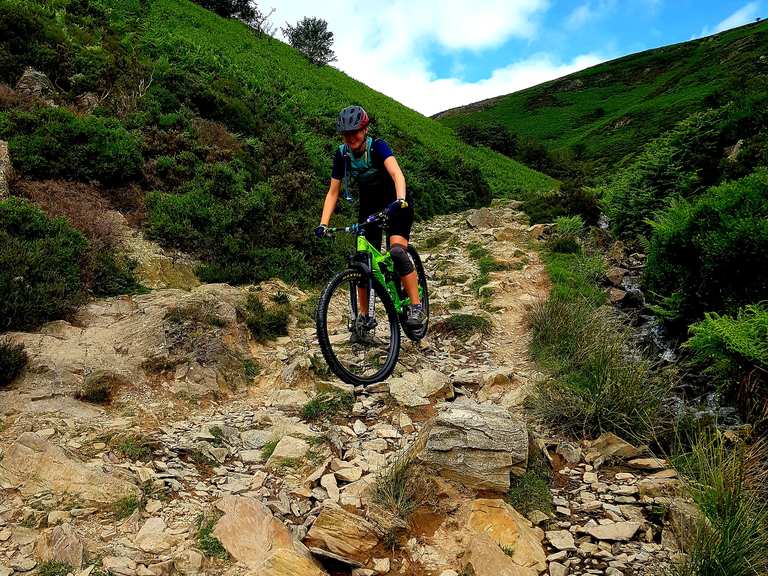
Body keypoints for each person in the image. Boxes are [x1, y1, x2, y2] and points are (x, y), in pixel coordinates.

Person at [315, 105, 425, 329]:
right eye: (346, 134)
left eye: (355, 131)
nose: (351, 137)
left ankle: (416, 306)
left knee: (396, 251)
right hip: (369, 207)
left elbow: (396, 173)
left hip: (396, 201)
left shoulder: (378, 147)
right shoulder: (342, 154)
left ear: (365, 129)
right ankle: (363, 318)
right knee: (362, 260)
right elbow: (333, 191)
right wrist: (323, 224)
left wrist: (400, 199)